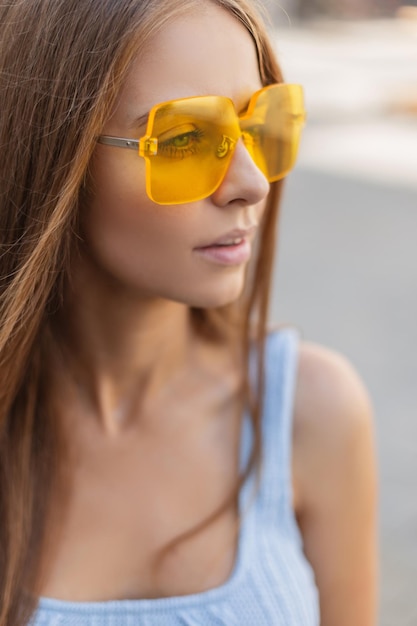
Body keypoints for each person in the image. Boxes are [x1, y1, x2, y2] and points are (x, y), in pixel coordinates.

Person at [0, 0, 378, 624]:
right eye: (183, 139)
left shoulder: (311, 414)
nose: (252, 182)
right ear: (52, 157)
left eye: (262, 122)